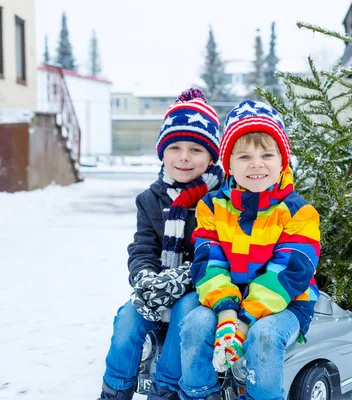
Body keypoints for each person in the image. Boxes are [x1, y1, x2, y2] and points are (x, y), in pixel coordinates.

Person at [178, 100, 321, 400]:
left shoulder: (299, 212)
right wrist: (226, 312)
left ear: (283, 161)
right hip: (228, 298)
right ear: (228, 164)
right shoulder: (212, 206)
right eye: (244, 156)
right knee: (194, 324)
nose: (256, 164)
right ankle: (199, 394)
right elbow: (208, 262)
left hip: (286, 301)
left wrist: (242, 323)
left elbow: (289, 272)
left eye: (267, 154)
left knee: (264, 337)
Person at [98, 88, 224, 400]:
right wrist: (145, 278)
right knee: (127, 317)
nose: (184, 157)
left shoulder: (221, 200)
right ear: (162, 152)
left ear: (211, 157)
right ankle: (114, 390)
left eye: (196, 149)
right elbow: (143, 247)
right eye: (175, 147)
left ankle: (164, 389)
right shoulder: (150, 199)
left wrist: (177, 280)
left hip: (201, 287)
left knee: (185, 310)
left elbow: (216, 255)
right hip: (156, 286)